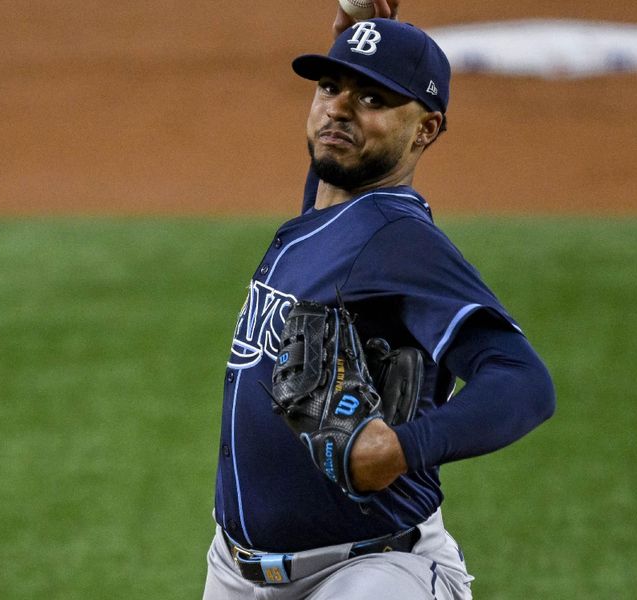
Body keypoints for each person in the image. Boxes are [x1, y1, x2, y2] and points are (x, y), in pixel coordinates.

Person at [202, 11, 555, 600]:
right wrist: (352, 28)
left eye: (372, 98)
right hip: (237, 575)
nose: (339, 108)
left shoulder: (398, 239)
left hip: (372, 573)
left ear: (424, 130)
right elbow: (336, 160)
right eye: (328, 87)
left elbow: (524, 382)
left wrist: (398, 449)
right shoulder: (329, 208)